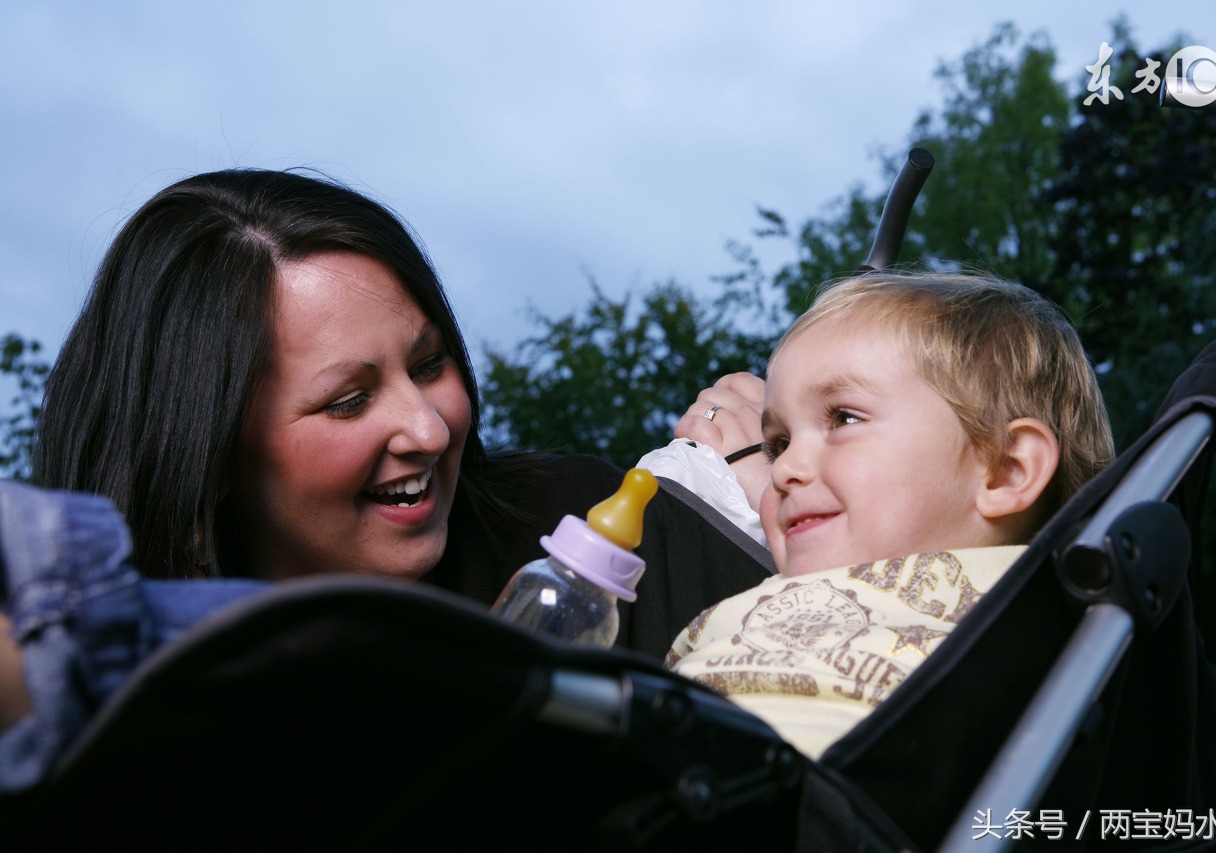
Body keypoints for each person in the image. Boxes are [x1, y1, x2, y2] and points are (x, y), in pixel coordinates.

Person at [2, 168, 776, 791]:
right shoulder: (147, 710)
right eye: (349, 400)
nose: (430, 428)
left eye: (430, 363)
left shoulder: (575, 515)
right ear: (208, 454)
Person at [663, 271, 1115, 759]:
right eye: (779, 444)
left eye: (844, 418)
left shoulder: (1031, 627)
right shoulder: (757, 597)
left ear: (1007, 470)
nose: (784, 469)